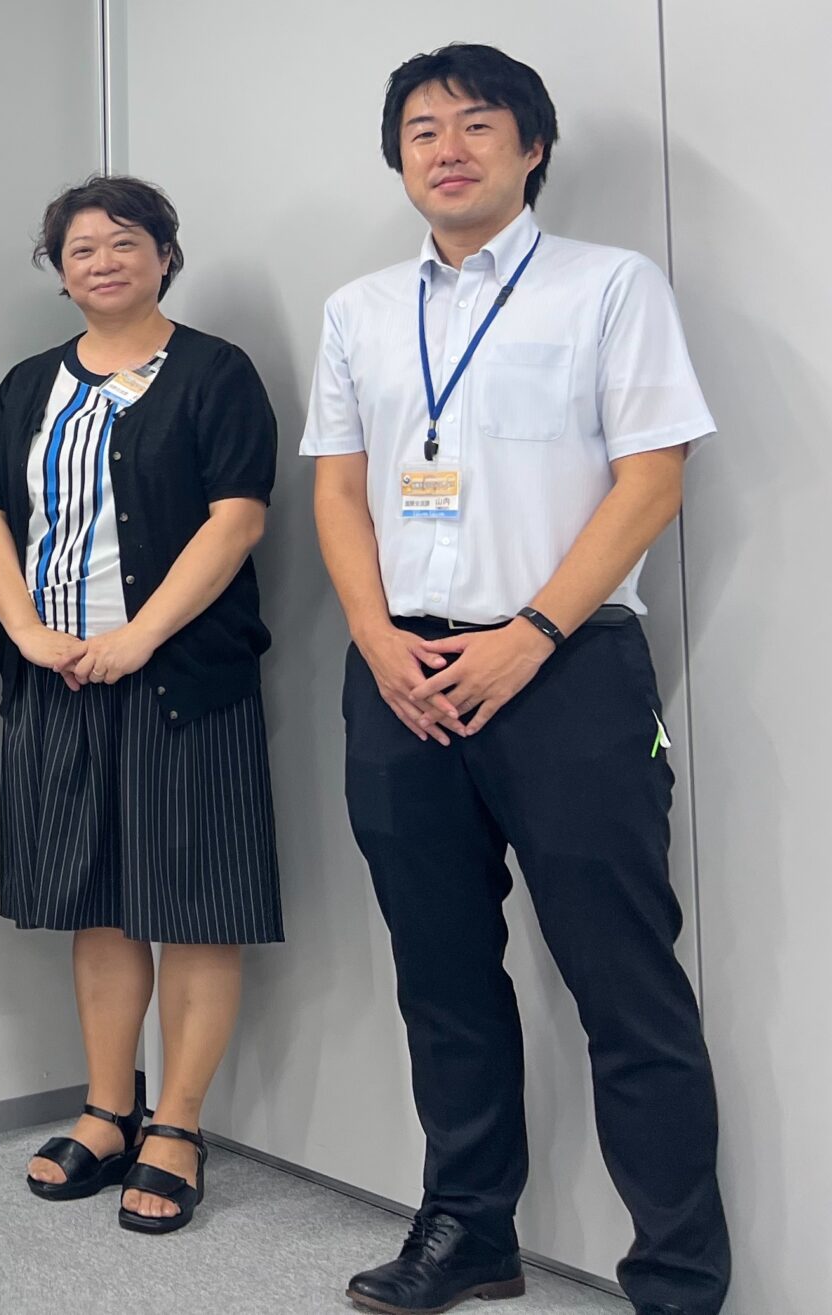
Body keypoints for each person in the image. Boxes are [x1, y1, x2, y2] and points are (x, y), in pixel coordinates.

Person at [303, 44, 728, 1315]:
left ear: (529, 146)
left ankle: (676, 1277)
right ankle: (469, 1230)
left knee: (624, 981)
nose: (447, 147)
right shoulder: (359, 311)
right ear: (397, 158)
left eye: (476, 124)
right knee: (439, 974)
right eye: (421, 129)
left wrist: (532, 631)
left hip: (565, 667)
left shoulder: (608, 287)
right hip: (398, 673)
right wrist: (378, 642)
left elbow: (651, 478)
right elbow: (336, 487)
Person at [0, 176, 280, 1233]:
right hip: (56, 677)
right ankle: (108, 1107)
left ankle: (177, 1125)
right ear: (57, 269)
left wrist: (139, 638)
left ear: (163, 254)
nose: (102, 260)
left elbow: (237, 519)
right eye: (80, 248)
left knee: (192, 902)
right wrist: (24, 631)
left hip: (181, 681)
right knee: (95, 898)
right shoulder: (26, 385)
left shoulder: (212, 372)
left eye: (124, 242)